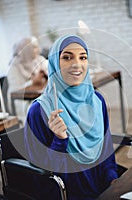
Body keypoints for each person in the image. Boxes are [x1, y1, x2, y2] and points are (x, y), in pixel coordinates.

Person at [24, 35, 118, 199]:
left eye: (83, 57)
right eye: (67, 57)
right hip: (66, 193)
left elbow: (106, 150)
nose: (77, 64)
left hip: (103, 188)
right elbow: (40, 176)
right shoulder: (39, 111)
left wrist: (112, 180)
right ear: (54, 63)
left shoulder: (97, 100)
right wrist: (59, 140)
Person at [7, 37, 48, 122]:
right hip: (22, 102)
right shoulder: (14, 67)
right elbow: (15, 90)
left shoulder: (39, 60)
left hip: (39, 97)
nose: (39, 50)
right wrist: (32, 82)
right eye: (34, 47)